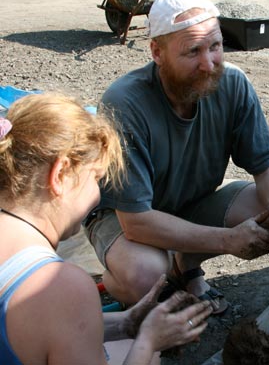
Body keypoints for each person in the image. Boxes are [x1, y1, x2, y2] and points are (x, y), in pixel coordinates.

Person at [84, 0, 269, 314]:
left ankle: (186, 267)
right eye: (193, 51)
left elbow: (266, 165)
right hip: (122, 218)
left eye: (215, 46)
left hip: (187, 204)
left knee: (266, 210)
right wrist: (227, 240)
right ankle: (112, 283)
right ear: (157, 53)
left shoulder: (233, 83)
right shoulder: (125, 103)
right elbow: (136, 222)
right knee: (146, 274)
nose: (209, 63)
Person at [0, 93, 213, 365]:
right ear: (61, 174)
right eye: (96, 179)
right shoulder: (61, 286)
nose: (97, 196)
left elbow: (43, 328)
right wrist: (148, 342)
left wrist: (125, 323)